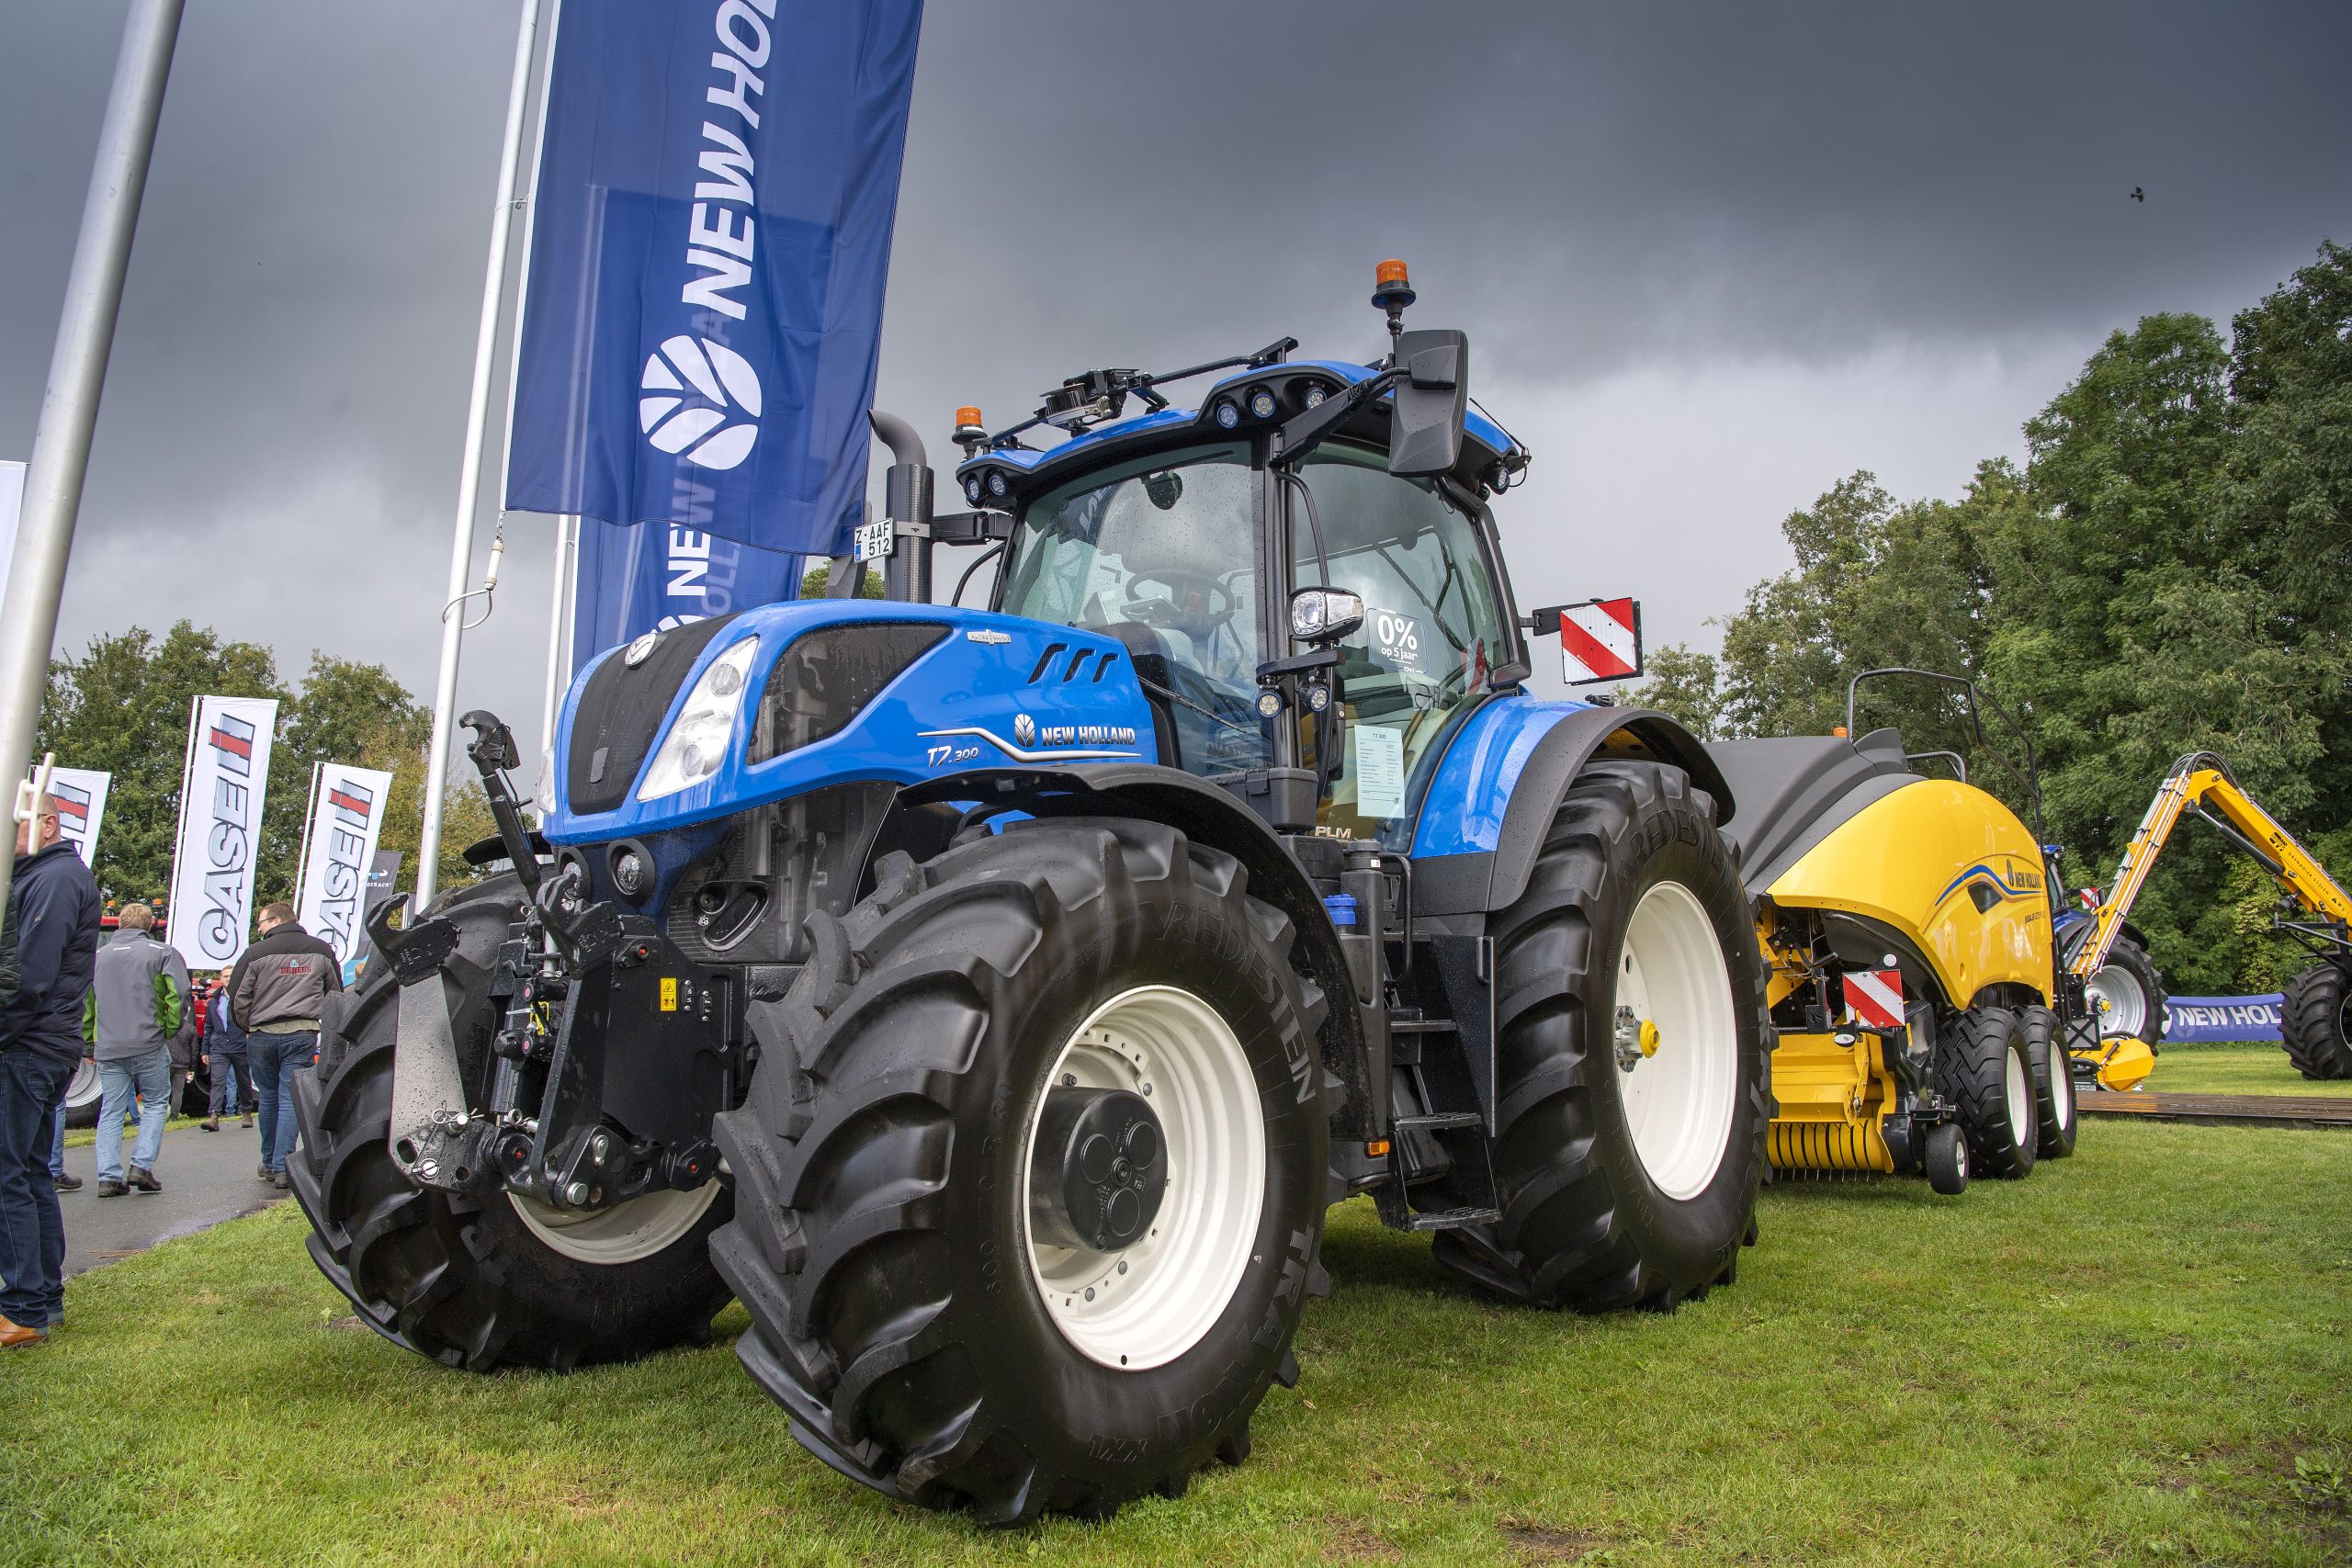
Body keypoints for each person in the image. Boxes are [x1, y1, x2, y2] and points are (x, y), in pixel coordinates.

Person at [0, 795, 102, 1348]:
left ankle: (23, 1308)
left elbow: (27, 977)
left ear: (45, 823)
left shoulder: (55, 878)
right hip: (41, 1043)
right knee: (29, 1170)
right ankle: (40, 1299)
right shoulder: (48, 875)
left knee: (9, 1174)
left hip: (28, 1045)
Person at [83, 902, 192, 1197]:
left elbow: (87, 1004)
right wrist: (167, 1029)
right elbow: (179, 994)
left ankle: (108, 1177)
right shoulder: (163, 953)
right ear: (150, 926)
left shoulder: (97, 957)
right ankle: (141, 1165)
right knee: (157, 1103)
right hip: (148, 1042)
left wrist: (89, 1042)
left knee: (111, 1111)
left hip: (108, 1045)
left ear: (118, 925)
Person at [229, 902, 340, 1189]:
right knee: (289, 1097)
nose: (260, 928)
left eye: (262, 922)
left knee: (268, 1098)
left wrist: (248, 1025)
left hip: (262, 1034)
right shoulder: (321, 950)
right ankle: (282, 1166)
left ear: (277, 919)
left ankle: (269, 1161)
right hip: (302, 1032)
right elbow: (335, 994)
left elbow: (238, 996)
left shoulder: (254, 953)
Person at [200, 968, 252, 1131]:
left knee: (243, 1080)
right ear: (220, 979)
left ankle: (246, 1111)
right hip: (219, 1046)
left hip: (239, 1044)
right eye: (226, 976)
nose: (229, 979)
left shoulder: (243, 997)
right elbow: (209, 1026)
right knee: (217, 1081)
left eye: (231, 976)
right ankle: (214, 1116)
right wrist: (205, 1050)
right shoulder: (214, 1000)